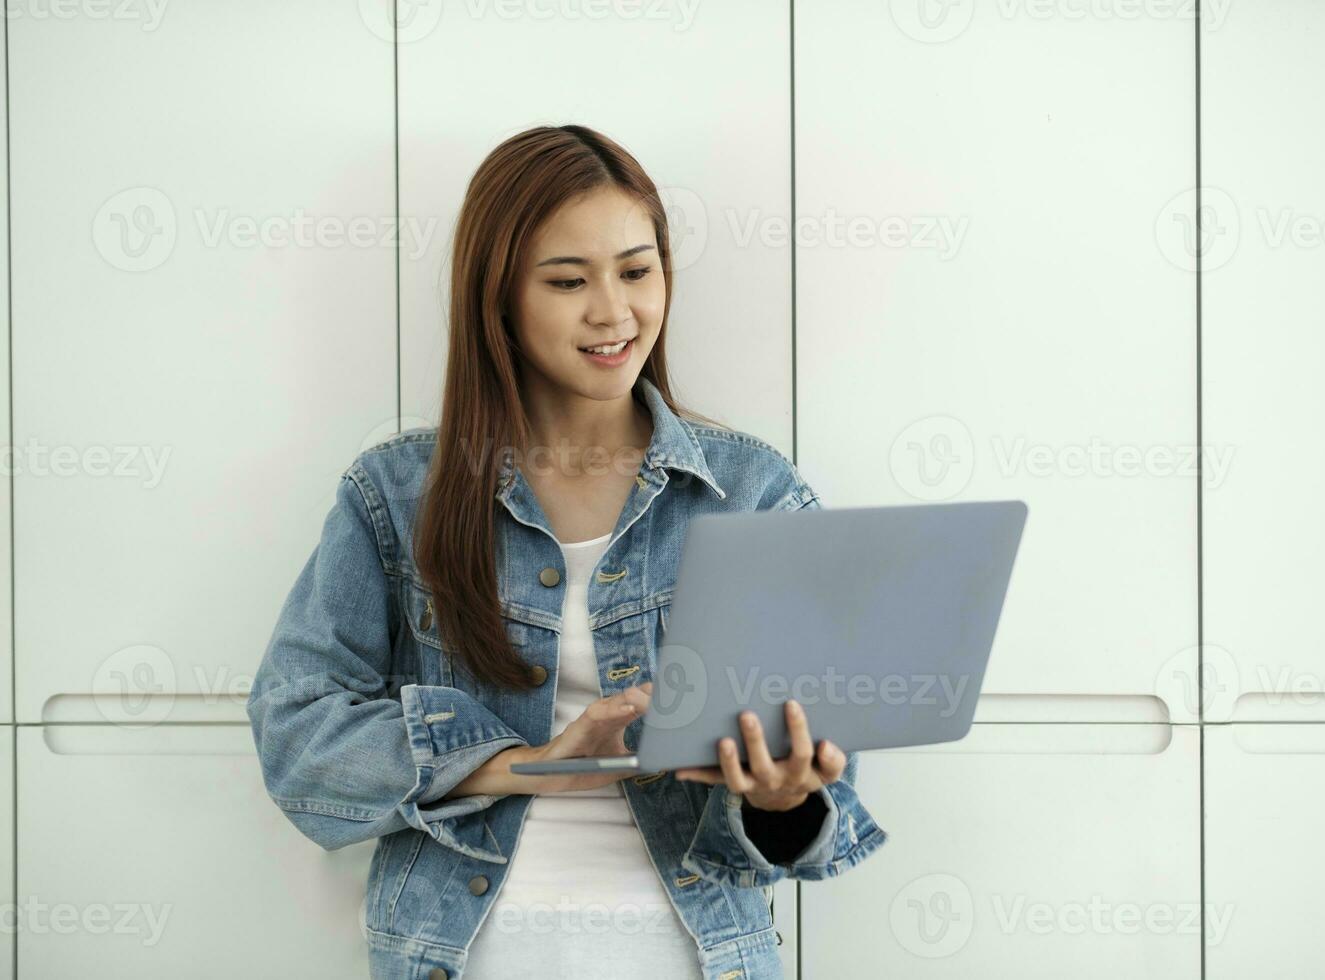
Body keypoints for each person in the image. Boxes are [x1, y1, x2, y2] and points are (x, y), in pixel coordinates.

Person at [246, 124, 889, 980]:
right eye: (566, 281)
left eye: (636, 270)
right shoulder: (397, 493)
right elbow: (299, 734)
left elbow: (827, 800)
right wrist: (520, 766)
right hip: (463, 955)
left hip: (696, 957)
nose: (613, 312)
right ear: (499, 298)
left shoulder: (753, 491)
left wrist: (782, 797)